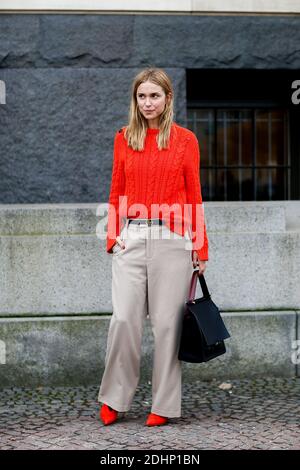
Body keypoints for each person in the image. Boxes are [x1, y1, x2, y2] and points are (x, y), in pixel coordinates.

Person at [98, 67, 209, 427]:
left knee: (167, 326)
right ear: (136, 100)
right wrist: (113, 238)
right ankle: (115, 398)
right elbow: (116, 191)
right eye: (142, 96)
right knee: (124, 320)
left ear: (168, 99)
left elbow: (194, 196)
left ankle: (162, 404)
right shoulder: (123, 137)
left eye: (154, 96)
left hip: (174, 242)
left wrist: (200, 247)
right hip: (131, 237)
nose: (148, 103)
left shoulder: (185, 140)